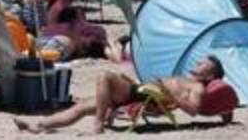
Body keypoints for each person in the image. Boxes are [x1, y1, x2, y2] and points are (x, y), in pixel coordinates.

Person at [13, 57, 229, 134]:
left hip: (143, 96)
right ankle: (38, 126)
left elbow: (191, 110)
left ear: (209, 74)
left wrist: (167, 90)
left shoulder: (197, 88)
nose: (197, 64)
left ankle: (98, 125)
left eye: (202, 65)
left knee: (104, 77)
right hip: (140, 92)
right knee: (79, 108)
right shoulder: (188, 80)